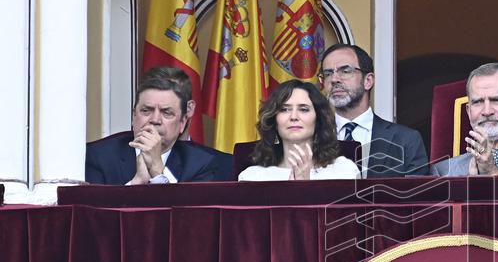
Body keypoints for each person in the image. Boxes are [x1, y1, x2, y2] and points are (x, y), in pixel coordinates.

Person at [85, 66, 230, 184]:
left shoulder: (201, 164)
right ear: (133, 115)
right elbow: (94, 216)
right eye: (146, 110)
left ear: (183, 122)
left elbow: (190, 217)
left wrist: (157, 171)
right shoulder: (98, 156)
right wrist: (135, 185)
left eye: (166, 112)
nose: (155, 119)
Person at [319, 44, 428, 177]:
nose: (334, 79)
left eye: (345, 71)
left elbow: (418, 196)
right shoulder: (312, 138)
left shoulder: (406, 140)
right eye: (328, 73)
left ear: (368, 81)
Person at [238, 79, 360, 181]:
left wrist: (305, 186)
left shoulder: (344, 171)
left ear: (318, 120)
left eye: (303, 109)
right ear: (274, 121)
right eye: (284, 109)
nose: (294, 117)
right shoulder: (252, 177)